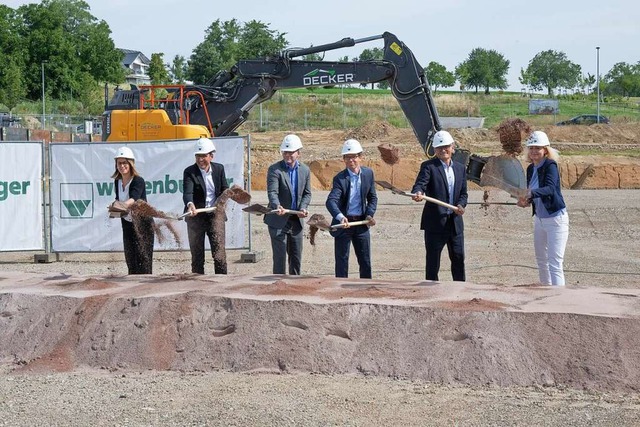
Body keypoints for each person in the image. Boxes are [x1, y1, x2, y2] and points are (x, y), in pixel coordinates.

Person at [411, 130, 468, 281]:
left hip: (454, 223)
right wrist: (418, 192)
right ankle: (431, 292)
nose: (443, 150)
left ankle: (460, 290)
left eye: (446, 146)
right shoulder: (429, 167)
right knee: (432, 261)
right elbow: (420, 184)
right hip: (435, 223)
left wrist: (461, 205)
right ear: (435, 150)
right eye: (439, 148)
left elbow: (463, 194)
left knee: (458, 258)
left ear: (452, 147)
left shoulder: (460, 168)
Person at [517, 130, 569, 286]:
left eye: (537, 148)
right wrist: (526, 201)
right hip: (539, 220)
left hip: (555, 219)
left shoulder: (550, 165)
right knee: (541, 260)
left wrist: (530, 193)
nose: (534, 151)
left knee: (555, 263)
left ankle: (559, 299)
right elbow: (532, 194)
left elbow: (550, 189)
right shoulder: (530, 169)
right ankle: (545, 294)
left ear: (545, 150)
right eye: (531, 148)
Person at [326, 139, 377, 278]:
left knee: (365, 261)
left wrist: (369, 215)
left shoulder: (368, 174)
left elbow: (372, 198)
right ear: (343, 159)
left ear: (360, 157)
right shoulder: (340, 179)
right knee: (342, 261)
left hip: (361, 223)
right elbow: (331, 201)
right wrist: (340, 217)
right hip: (344, 224)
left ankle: (366, 291)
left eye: (354, 156)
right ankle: (341, 292)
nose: (351, 160)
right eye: (348, 157)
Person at [265, 134, 312, 275]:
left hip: (296, 220)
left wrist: (303, 207)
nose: (288, 155)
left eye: (291, 152)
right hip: (278, 220)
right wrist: (277, 205)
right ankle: (278, 287)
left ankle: (295, 288)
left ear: (298, 153)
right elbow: (272, 192)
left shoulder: (305, 170)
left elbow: (307, 193)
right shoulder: (275, 169)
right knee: (279, 259)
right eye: (285, 152)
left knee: (296, 258)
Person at [183, 137, 229, 274]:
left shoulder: (219, 169)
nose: (200, 159)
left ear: (211, 156)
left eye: (203, 156)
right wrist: (190, 204)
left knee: (219, 254)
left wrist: (223, 201)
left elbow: (224, 189)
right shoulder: (189, 172)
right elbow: (187, 193)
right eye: (198, 156)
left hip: (216, 216)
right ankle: (198, 288)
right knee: (197, 257)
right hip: (196, 218)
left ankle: (221, 284)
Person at [111, 146, 154, 274]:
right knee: (131, 261)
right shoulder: (117, 182)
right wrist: (115, 207)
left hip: (143, 226)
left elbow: (133, 198)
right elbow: (119, 199)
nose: (122, 166)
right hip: (127, 225)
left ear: (131, 164)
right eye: (119, 163)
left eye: (125, 163)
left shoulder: (138, 181)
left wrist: (122, 205)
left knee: (144, 262)